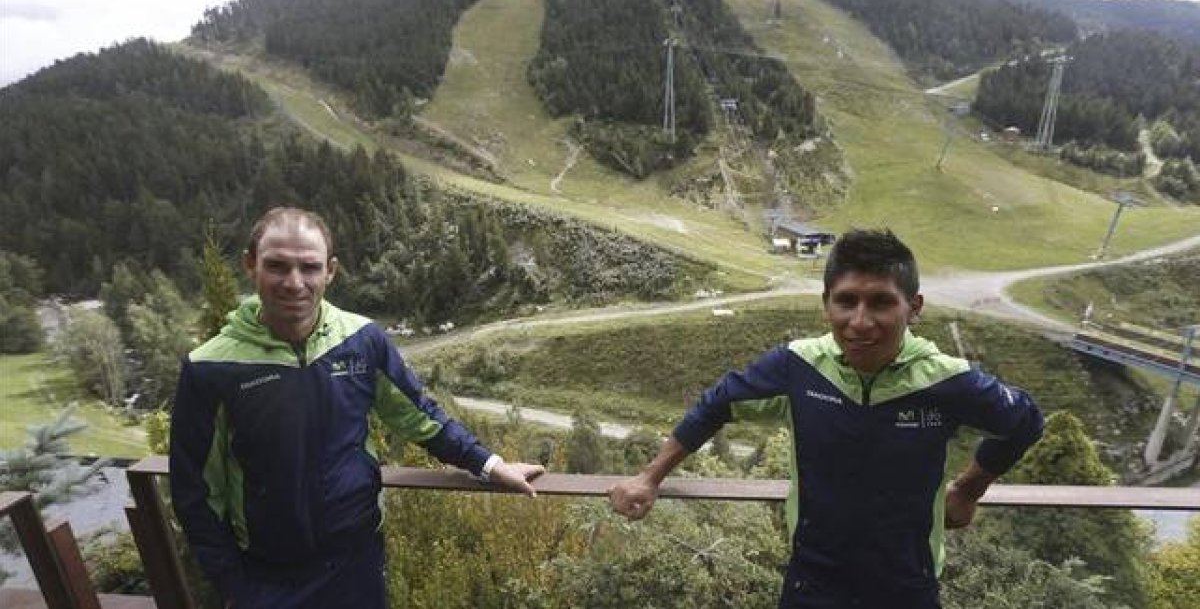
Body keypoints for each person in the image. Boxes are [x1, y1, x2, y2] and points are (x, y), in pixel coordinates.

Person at [608, 228, 1044, 608]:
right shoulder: (798, 367)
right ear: (826, 304)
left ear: (914, 307)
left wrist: (968, 489)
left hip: (907, 585)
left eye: (880, 303)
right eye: (846, 301)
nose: (860, 321)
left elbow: (1024, 421)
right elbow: (717, 403)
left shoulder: (946, 380)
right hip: (813, 582)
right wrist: (650, 477)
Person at [170, 207, 544, 609]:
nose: (294, 283)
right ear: (250, 265)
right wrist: (234, 586)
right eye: (277, 266)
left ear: (330, 271)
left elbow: (418, 414)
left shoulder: (362, 341)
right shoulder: (209, 367)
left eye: (309, 267)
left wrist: (489, 464)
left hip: (356, 562)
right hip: (265, 576)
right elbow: (195, 491)